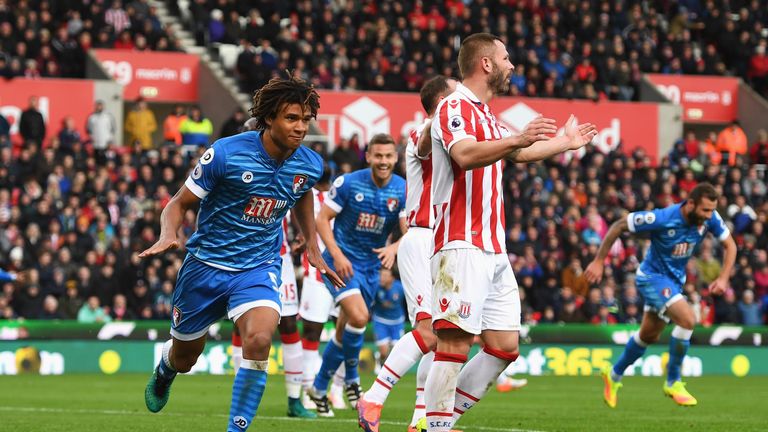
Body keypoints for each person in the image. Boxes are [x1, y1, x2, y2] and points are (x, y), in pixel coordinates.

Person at [139, 76, 343, 432]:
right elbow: (178, 202)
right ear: (269, 118)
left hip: (258, 266)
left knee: (261, 338)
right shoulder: (226, 153)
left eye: (306, 119)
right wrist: (168, 234)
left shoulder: (309, 164)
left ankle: (238, 428)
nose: (300, 128)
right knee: (185, 358)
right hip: (204, 267)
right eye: (291, 118)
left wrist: (311, 242)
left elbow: (302, 192)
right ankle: (166, 368)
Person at [418, 33, 596, 432]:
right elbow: (463, 154)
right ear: (485, 64)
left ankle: (438, 422)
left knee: (504, 347)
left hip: (494, 249)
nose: (511, 65)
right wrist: (517, 137)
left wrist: (564, 143)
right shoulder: (454, 107)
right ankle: (434, 426)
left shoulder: (486, 114)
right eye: (505, 57)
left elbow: (519, 152)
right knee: (455, 344)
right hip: (460, 243)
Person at [357, 75, 457, 432]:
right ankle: (373, 397)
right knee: (429, 332)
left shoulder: (457, 135)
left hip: (449, 241)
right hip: (423, 237)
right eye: (455, 89)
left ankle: (421, 420)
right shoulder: (421, 134)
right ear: (441, 100)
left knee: (446, 337)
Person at [586, 182, 736, 408]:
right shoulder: (663, 218)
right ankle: (673, 381)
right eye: (704, 210)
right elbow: (619, 225)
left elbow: (731, 246)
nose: (708, 216)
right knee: (688, 319)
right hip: (651, 278)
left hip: (674, 282)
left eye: (711, 211)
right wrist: (599, 261)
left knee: (648, 336)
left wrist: (723, 278)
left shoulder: (710, 218)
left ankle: (614, 375)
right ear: (691, 204)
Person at [307, 133, 407, 417]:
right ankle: (352, 380)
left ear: (395, 158)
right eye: (378, 156)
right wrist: (337, 255)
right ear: (368, 156)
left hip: (371, 267)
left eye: (388, 156)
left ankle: (317, 388)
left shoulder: (401, 189)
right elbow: (321, 219)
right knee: (360, 318)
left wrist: (395, 247)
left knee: (345, 328)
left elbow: (407, 230)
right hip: (342, 263)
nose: (383, 161)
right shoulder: (348, 183)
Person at [371, 268, 405, 368]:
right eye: (381, 275)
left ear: (392, 278)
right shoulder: (375, 286)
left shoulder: (400, 287)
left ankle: (389, 370)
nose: (382, 278)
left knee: (396, 351)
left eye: (385, 276)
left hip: (397, 321)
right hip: (381, 321)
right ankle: (380, 359)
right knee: (384, 352)